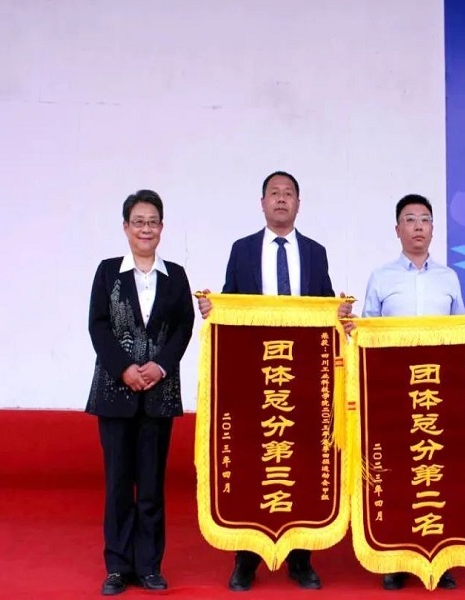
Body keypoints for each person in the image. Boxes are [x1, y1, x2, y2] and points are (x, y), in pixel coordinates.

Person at [197, 171, 350, 592]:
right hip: (255, 381)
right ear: (262, 203)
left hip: (302, 382)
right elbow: (230, 304)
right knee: (253, 463)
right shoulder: (242, 250)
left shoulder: (315, 253)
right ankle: (245, 560)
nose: (281, 200)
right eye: (274, 193)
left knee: (301, 463)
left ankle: (301, 559)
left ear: (298, 204)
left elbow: (327, 308)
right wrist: (214, 309)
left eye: (288, 194)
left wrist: (340, 314)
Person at [361, 194, 465, 591]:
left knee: (440, 474)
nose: (418, 226)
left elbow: (462, 329)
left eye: (424, 220)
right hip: (394, 396)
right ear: (397, 229)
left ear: (433, 229)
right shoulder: (381, 277)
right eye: (410, 219)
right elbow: (367, 332)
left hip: (438, 396)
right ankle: (395, 559)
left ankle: (442, 556)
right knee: (398, 474)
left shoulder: (448, 278)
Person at [86, 190, 195, 596]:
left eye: (152, 222)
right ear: (126, 227)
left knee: (150, 485)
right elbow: (98, 325)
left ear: (161, 228)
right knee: (118, 484)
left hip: (159, 393)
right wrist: (124, 368)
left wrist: (161, 365)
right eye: (138, 222)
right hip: (115, 393)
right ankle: (117, 567)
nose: (145, 229)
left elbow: (184, 326)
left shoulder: (176, 276)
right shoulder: (107, 272)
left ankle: (149, 566)